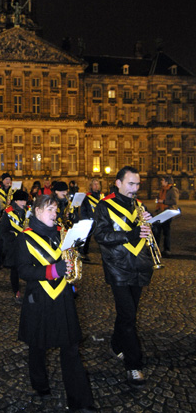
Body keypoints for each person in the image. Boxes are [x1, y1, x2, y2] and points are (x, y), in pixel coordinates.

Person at [15, 195, 96, 412]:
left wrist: (73, 258)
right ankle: (40, 385)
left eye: (55, 210)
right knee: (37, 347)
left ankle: (80, 402)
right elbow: (23, 270)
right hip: (39, 299)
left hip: (62, 297)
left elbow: (67, 259)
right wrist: (53, 270)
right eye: (50, 209)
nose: (55, 213)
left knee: (70, 348)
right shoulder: (25, 238)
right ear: (37, 212)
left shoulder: (61, 233)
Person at [94, 166, 154, 388]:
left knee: (128, 313)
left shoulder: (138, 205)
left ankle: (116, 345)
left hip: (139, 265)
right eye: (131, 184)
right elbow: (100, 235)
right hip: (117, 267)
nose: (135, 189)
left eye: (137, 184)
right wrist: (129, 234)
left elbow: (143, 233)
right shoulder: (104, 205)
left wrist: (149, 225)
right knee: (129, 316)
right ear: (118, 183)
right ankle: (133, 365)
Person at [0, 189, 29, 303]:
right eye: (20, 200)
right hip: (14, 245)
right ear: (15, 201)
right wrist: (14, 238)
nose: (23, 203)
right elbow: (3, 231)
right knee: (15, 270)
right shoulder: (8, 212)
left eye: (24, 200)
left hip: (27, 245)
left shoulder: (28, 210)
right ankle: (16, 292)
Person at [154, 175, 179, 257]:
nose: (161, 181)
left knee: (166, 232)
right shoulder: (163, 190)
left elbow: (174, 201)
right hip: (161, 212)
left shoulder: (173, 190)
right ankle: (156, 248)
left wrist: (163, 201)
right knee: (157, 231)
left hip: (168, 212)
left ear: (167, 181)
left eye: (163, 180)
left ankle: (167, 249)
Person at [80, 178, 104, 262]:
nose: (96, 185)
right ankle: (84, 253)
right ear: (91, 186)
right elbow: (83, 209)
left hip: (101, 220)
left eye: (97, 184)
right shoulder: (87, 197)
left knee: (103, 238)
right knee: (87, 238)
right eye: (94, 184)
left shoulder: (102, 196)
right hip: (90, 220)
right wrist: (85, 220)